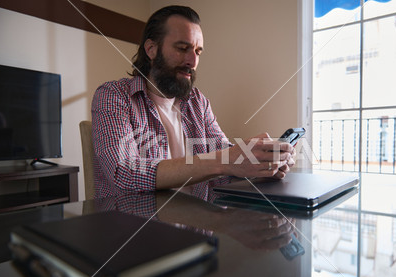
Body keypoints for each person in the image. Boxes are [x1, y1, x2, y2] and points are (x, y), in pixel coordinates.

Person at [92, 5, 295, 198]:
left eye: (198, 52)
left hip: (197, 226)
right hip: (139, 228)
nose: (193, 61)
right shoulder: (113, 96)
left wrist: (258, 163)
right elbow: (124, 172)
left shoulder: (197, 102)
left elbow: (223, 156)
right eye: (182, 48)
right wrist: (226, 160)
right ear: (151, 49)